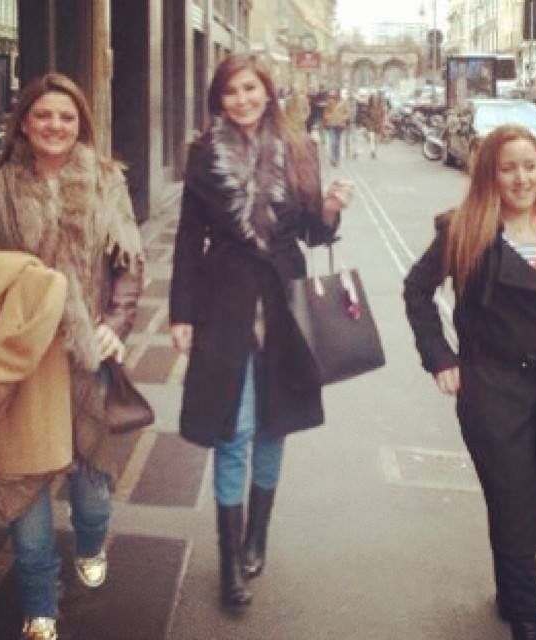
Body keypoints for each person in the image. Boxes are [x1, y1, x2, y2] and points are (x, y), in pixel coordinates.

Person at [0, 72, 144, 640]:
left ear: (80, 123)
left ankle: (91, 539)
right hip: (21, 358)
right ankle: (39, 602)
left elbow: (128, 263)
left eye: (66, 116)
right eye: (43, 115)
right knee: (24, 481)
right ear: (24, 124)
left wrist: (115, 325)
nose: (55, 125)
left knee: (91, 487)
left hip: (86, 355)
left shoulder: (106, 181)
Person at [169, 54, 353, 609]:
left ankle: (257, 538)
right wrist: (181, 314)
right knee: (234, 429)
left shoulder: (299, 148)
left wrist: (331, 207)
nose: (242, 99)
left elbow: (315, 234)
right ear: (219, 100)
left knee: (274, 426)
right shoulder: (204, 155)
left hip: (285, 303)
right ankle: (230, 565)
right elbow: (188, 238)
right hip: (225, 303)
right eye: (231, 91)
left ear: (267, 92)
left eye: (250, 88)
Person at [403, 125, 536, 640]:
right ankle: (527, 619)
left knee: (534, 492)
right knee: (513, 496)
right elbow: (416, 290)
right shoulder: (464, 229)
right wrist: (439, 357)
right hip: (492, 389)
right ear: (490, 175)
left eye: (530, 166)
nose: (521, 179)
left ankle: (510, 591)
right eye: (508, 168)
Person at [322, 88, 350, 166]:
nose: (335, 95)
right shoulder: (329, 102)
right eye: (334, 93)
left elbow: (347, 112)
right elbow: (325, 112)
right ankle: (333, 158)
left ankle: (337, 158)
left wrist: (344, 118)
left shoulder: (344, 102)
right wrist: (328, 117)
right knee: (333, 141)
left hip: (340, 125)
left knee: (337, 142)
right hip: (331, 124)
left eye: (336, 93)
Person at [366, 92, 386, 159]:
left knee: (377, 140)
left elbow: (383, 116)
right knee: (372, 138)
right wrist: (368, 125)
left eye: (376, 99)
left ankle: (375, 151)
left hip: (378, 125)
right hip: (371, 125)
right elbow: (367, 117)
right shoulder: (369, 108)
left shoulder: (381, 108)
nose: (375, 100)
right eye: (374, 99)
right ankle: (372, 151)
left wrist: (382, 124)